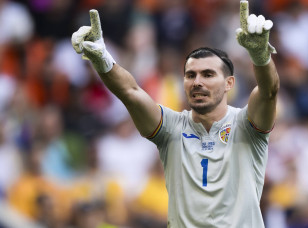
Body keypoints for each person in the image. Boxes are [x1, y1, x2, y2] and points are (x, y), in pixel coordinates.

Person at [71, 1, 279, 227]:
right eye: (190, 75)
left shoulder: (245, 125)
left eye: (208, 74)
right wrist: (103, 60)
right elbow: (130, 92)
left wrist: (261, 58)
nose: (197, 82)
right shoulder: (171, 128)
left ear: (229, 83)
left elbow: (269, 92)